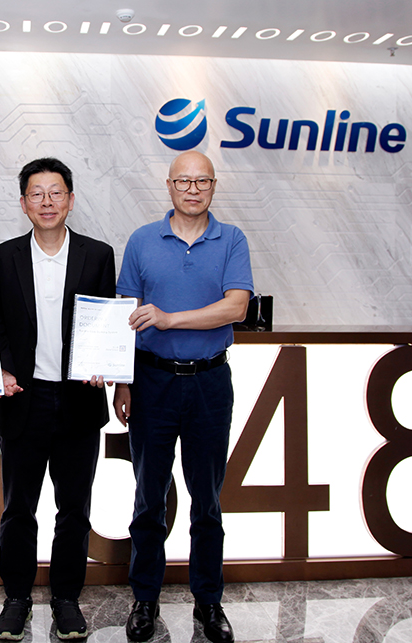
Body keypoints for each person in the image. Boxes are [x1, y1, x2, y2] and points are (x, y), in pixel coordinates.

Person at [113, 151, 253, 643]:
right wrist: (123, 380)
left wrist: (171, 319)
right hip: (151, 381)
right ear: (169, 185)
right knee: (149, 497)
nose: (193, 190)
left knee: (207, 500)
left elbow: (236, 307)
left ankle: (208, 601)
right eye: (183, 181)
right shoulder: (141, 241)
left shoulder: (232, 239)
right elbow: (126, 314)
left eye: (202, 181)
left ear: (213, 186)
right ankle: (144, 599)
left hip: (209, 383)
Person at [0, 157, 116, 640]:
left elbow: (105, 322)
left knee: (74, 508)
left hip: (79, 398)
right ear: (23, 203)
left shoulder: (97, 255)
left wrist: (106, 363)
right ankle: (16, 599)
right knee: (19, 508)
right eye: (36, 194)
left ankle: (66, 599)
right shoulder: (2, 257)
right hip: (23, 398)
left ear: (71, 200)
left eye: (55, 192)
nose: (46, 202)